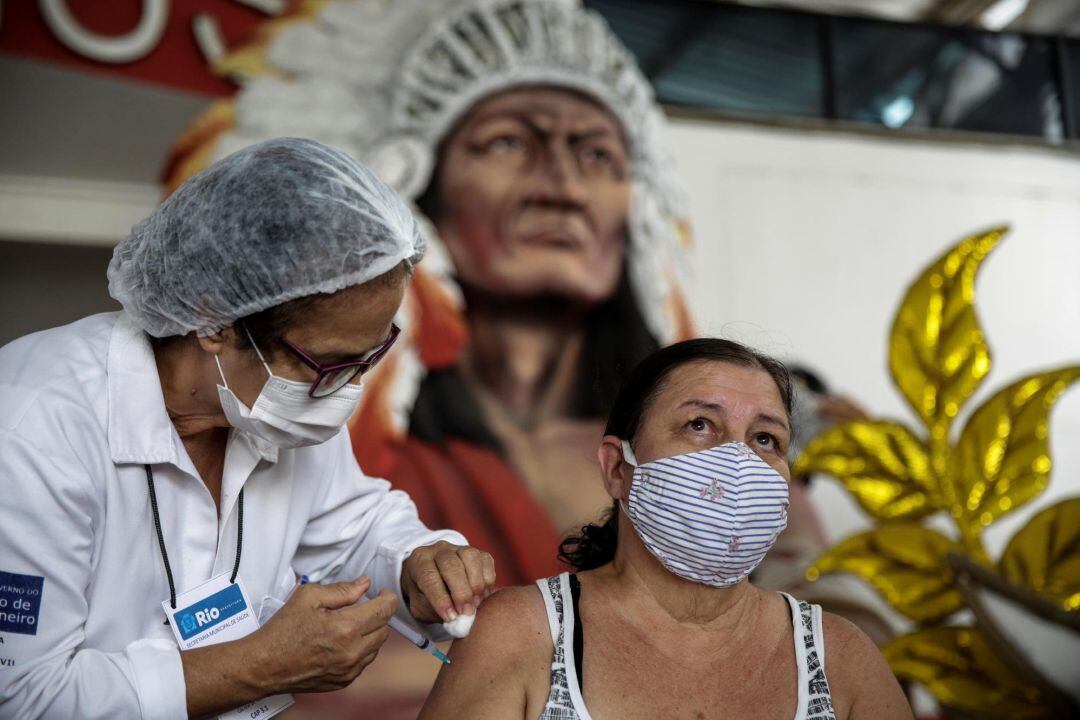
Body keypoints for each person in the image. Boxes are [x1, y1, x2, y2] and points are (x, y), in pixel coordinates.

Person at [0, 138, 496, 720]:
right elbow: (23, 695)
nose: (347, 389)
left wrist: (418, 567)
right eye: (332, 363)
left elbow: (351, 527)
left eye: (371, 356)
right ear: (212, 319)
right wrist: (261, 665)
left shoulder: (282, 397)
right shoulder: (33, 428)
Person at [420, 339, 913, 720]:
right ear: (618, 468)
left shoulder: (842, 660)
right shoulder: (520, 635)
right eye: (700, 425)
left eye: (766, 438)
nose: (738, 461)